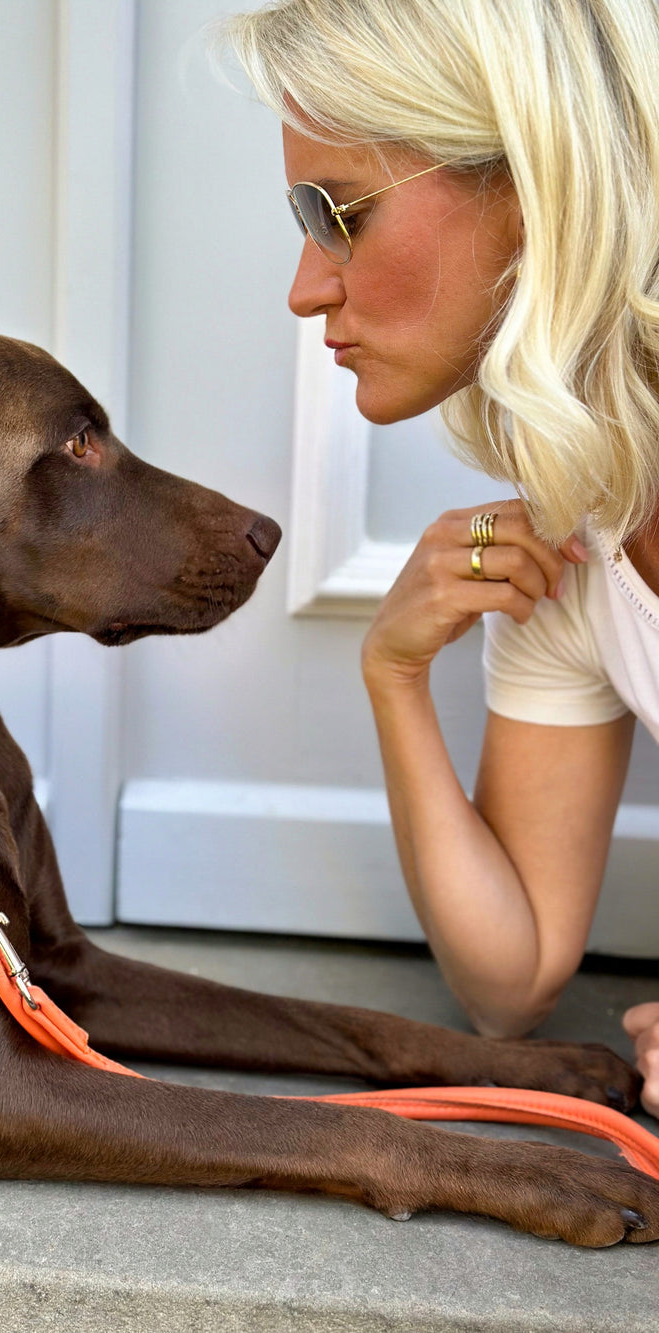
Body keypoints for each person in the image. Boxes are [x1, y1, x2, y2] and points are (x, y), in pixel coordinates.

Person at [224, 0, 659, 1114]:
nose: (304, 286)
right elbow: (509, 982)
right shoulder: (576, 547)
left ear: (525, 185)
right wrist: (395, 675)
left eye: (332, 213)